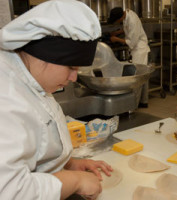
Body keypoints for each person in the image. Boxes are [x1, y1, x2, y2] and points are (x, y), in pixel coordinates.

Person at [0, 1, 113, 199]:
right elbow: (10, 191)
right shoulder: (6, 97)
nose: (74, 78)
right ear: (46, 56)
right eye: (71, 68)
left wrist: (68, 164)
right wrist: (74, 181)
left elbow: (35, 149)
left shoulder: (32, 78)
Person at [108, 7, 151, 107]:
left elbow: (132, 42)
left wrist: (116, 39)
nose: (117, 22)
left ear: (121, 17)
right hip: (137, 49)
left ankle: (133, 105)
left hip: (139, 50)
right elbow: (127, 28)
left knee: (137, 78)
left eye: (117, 21)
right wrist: (118, 32)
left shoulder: (132, 20)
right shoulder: (127, 14)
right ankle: (143, 102)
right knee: (143, 76)